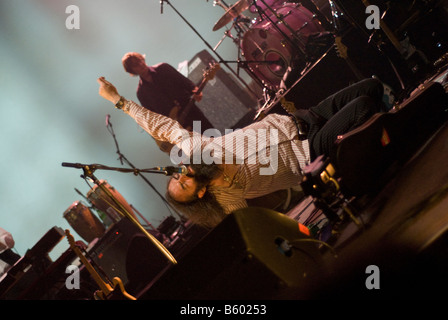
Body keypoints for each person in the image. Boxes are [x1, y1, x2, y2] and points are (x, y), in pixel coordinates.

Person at [97, 76, 385, 228]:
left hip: (301, 118)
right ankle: (391, 135)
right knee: (361, 107)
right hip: (309, 151)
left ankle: (386, 132)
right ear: (199, 194)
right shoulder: (225, 196)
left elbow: (160, 125)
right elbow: (252, 227)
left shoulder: (197, 149)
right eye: (184, 183)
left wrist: (119, 101)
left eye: (178, 174)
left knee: (372, 87)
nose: (183, 172)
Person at [121, 52, 214, 153]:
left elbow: (184, 81)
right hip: (179, 131)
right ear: (132, 71)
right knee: (202, 154)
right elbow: (153, 118)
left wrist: (195, 90)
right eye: (135, 65)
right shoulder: (141, 93)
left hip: (192, 113)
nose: (140, 64)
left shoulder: (163, 68)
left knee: (213, 140)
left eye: (140, 60)